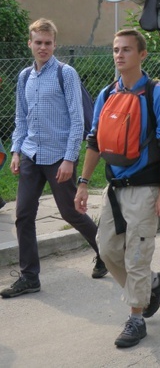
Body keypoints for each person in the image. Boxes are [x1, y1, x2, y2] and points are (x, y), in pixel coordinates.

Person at [74, 28, 160, 347]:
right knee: (105, 249)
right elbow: (94, 142)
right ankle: (150, 284)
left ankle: (136, 318)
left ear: (142, 55)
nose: (119, 55)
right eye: (116, 49)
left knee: (136, 254)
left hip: (146, 189)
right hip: (114, 189)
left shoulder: (158, 94)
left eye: (126, 50)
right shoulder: (107, 94)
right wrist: (83, 183)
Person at [2, 18, 107, 299]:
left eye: (48, 43)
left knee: (71, 212)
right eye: (38, 42)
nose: (43, 47)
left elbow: (76, 120)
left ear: (54, 44)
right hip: (30, 154)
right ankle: (29, 276)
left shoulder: (65, 73)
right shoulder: (25, 76)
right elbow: (20, 118)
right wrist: (15, 150)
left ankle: (106, 253)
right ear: (30, 44)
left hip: (58, 157)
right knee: (23, 214)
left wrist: (70, 159)